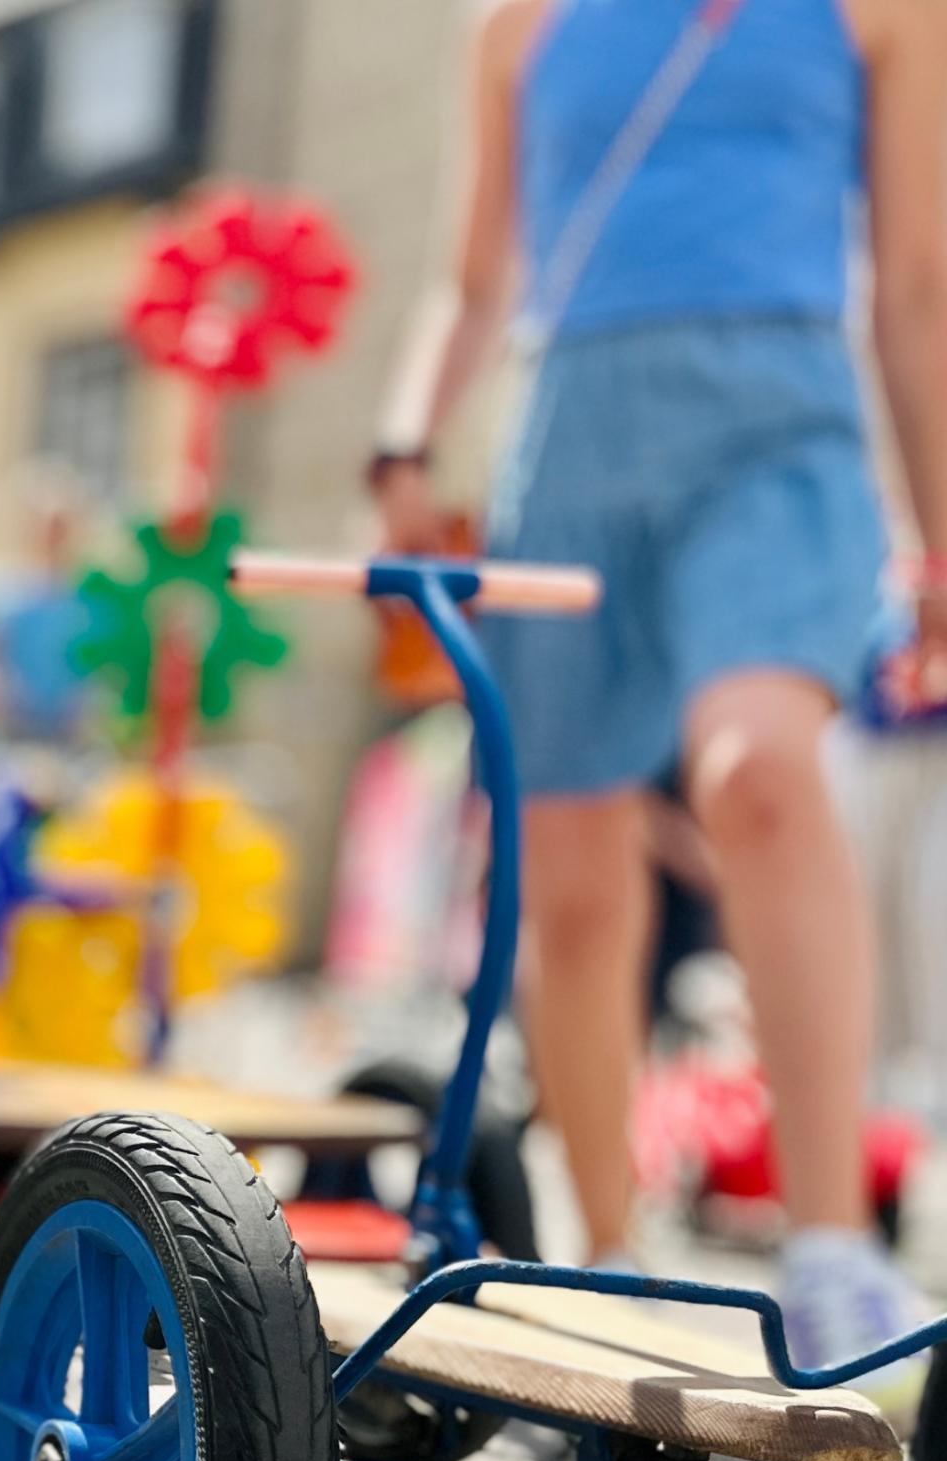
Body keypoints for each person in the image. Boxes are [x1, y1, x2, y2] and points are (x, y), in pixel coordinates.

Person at [375, 0, 947, 1386]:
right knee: (568, 876)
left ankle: (828, 1245)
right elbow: (474, 276)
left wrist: (939, 533)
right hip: (569, 441)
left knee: (757, 772)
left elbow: (919, 283)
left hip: (780, 434)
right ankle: (607, 1251)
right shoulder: (519, 23)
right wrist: (403, 444)